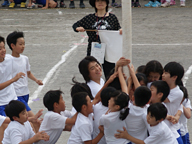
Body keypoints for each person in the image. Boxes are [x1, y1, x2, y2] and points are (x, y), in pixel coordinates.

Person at [73, 0, 122, 78]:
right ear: (94, 3)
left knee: (110, 75)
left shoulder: (112, 18)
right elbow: (75, 25)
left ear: (106, 3)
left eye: (103, 1)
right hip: (94, 50)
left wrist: (120, 31)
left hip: (109, 51)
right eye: (98, 1)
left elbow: (118, 30)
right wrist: (78, 28)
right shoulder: (89, 18)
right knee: (91, 75)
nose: (100, 3)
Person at [6, 31, 43, 118]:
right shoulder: (8, 59)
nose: (23, 46)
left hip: (25, 93)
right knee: (31, 117)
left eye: (24, 44)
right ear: (12, 45)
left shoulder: (25, 59)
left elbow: (28, 73)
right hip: (16, 94)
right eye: (20, 44)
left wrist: (36, 80)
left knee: (24, 119)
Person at [0, 36, 25, 116]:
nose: (3, 50)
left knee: (24, 120)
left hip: (12, 98)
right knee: (5, 126)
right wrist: (13, 80)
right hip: (1, 102)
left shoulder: (9, 59)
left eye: (4, 47)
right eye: (0, 49)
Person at [162, 61, 184, 144]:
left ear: (174, 77)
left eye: (166, 73)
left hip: (169, 126)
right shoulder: (164, 87)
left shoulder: (177, 92)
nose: (163, 75)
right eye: (163, 72)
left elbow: (158, 98)